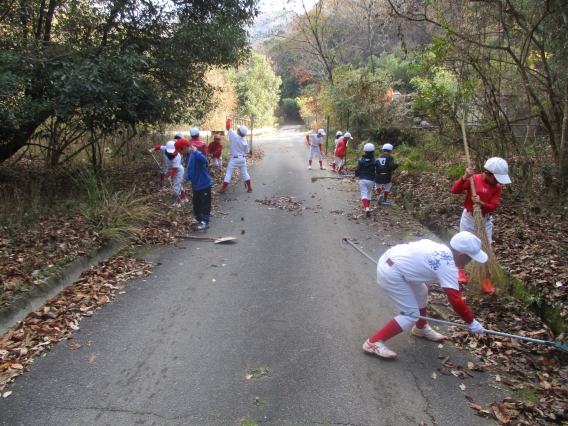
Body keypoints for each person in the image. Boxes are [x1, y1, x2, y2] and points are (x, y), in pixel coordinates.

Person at [362, 231, 488, 359]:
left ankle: (420, 327)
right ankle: (373, 343)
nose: (470, 261)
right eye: (470, 258)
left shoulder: (439, 247)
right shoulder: (448, 267)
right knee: (410, 315)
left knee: (421, 292)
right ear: (461, 255)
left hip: (390, 260)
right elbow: (455, 300)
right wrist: (471, 323)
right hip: (392, 274)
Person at [451, 157, 511, 291]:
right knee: (463, 245)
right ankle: (461, 270)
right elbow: (455, 190)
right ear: (487, 173)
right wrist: (465, 177)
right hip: (469, 217)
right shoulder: (474, 179)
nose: (497, 182)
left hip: (485, 220)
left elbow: (493, 206)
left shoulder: (497, 187)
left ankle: (485, 278)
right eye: (495, 178)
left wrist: (481, 203)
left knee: (486, 248)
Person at [176, 139, 213, 230]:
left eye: (180, 151)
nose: (180, 153)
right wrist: (186, 178)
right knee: (196, 202)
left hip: (204, 183)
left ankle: (205, 221)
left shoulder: (196, 154)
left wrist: (196, 152)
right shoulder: (187, 157)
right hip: (196, 184)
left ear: (184, 148)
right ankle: (198, 218)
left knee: (205, 203)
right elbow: (191, 172)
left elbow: (205, 161)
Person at [218, 118, 252, 194]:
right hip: (242, 158)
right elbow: (246, 151)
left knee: (229, 173)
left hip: (234, 158)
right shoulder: (244, 141)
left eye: (238, 129)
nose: (237, 130)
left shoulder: (234, 136)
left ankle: (223, 189)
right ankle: (250, 187)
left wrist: (229, 119)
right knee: (245, 173)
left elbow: (228, 127)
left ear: (239, 131)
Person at [148, 140, 187, 207]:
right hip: (171, 168)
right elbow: (159, 147)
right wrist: (152, 149)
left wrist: (170, 176)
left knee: (176, 185)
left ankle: (177, 202)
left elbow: (175, 168)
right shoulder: (165, 149)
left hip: (178, 170)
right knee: (178, 184)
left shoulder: (177, 156)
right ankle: (184, 198)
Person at [355, 143, 384, 218]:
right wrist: (377, 172)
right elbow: (380, 169)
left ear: (364, 150)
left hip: (362, 179)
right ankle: (367, 207)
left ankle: (366, 208)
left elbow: (357, 169)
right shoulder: (375, 160)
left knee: (364, 193)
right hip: (371, 179)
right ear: (373, 151)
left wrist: (357, 174)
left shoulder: (361, 160)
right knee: (369, 193)